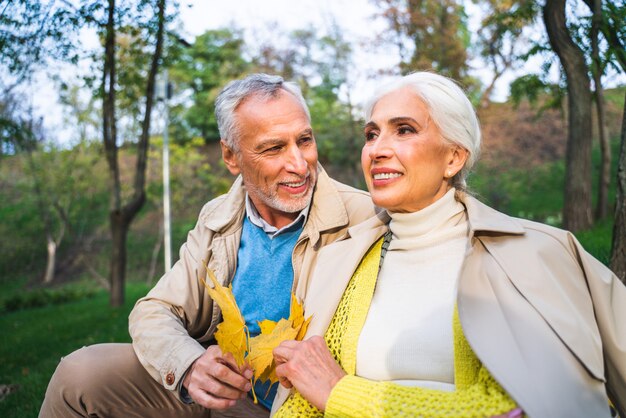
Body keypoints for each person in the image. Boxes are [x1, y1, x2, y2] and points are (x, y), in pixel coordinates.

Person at [270, 71, 626, 418]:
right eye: (371, 134)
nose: (377, 149)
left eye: (404, 130)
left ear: (454, 157)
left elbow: (510, 410)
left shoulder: (532, 256)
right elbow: (305, 395)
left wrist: (341, 394)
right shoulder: (342, 260)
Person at [38, 73, 376, 418]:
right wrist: (190, 365)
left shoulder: (365, 217)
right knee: (77, 377)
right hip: (222, 399)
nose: (299, 163)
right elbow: (154, 309)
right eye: (274, 147)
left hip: (297, 408)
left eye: (304, 140)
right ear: (231, 157)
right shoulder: (218, 217)